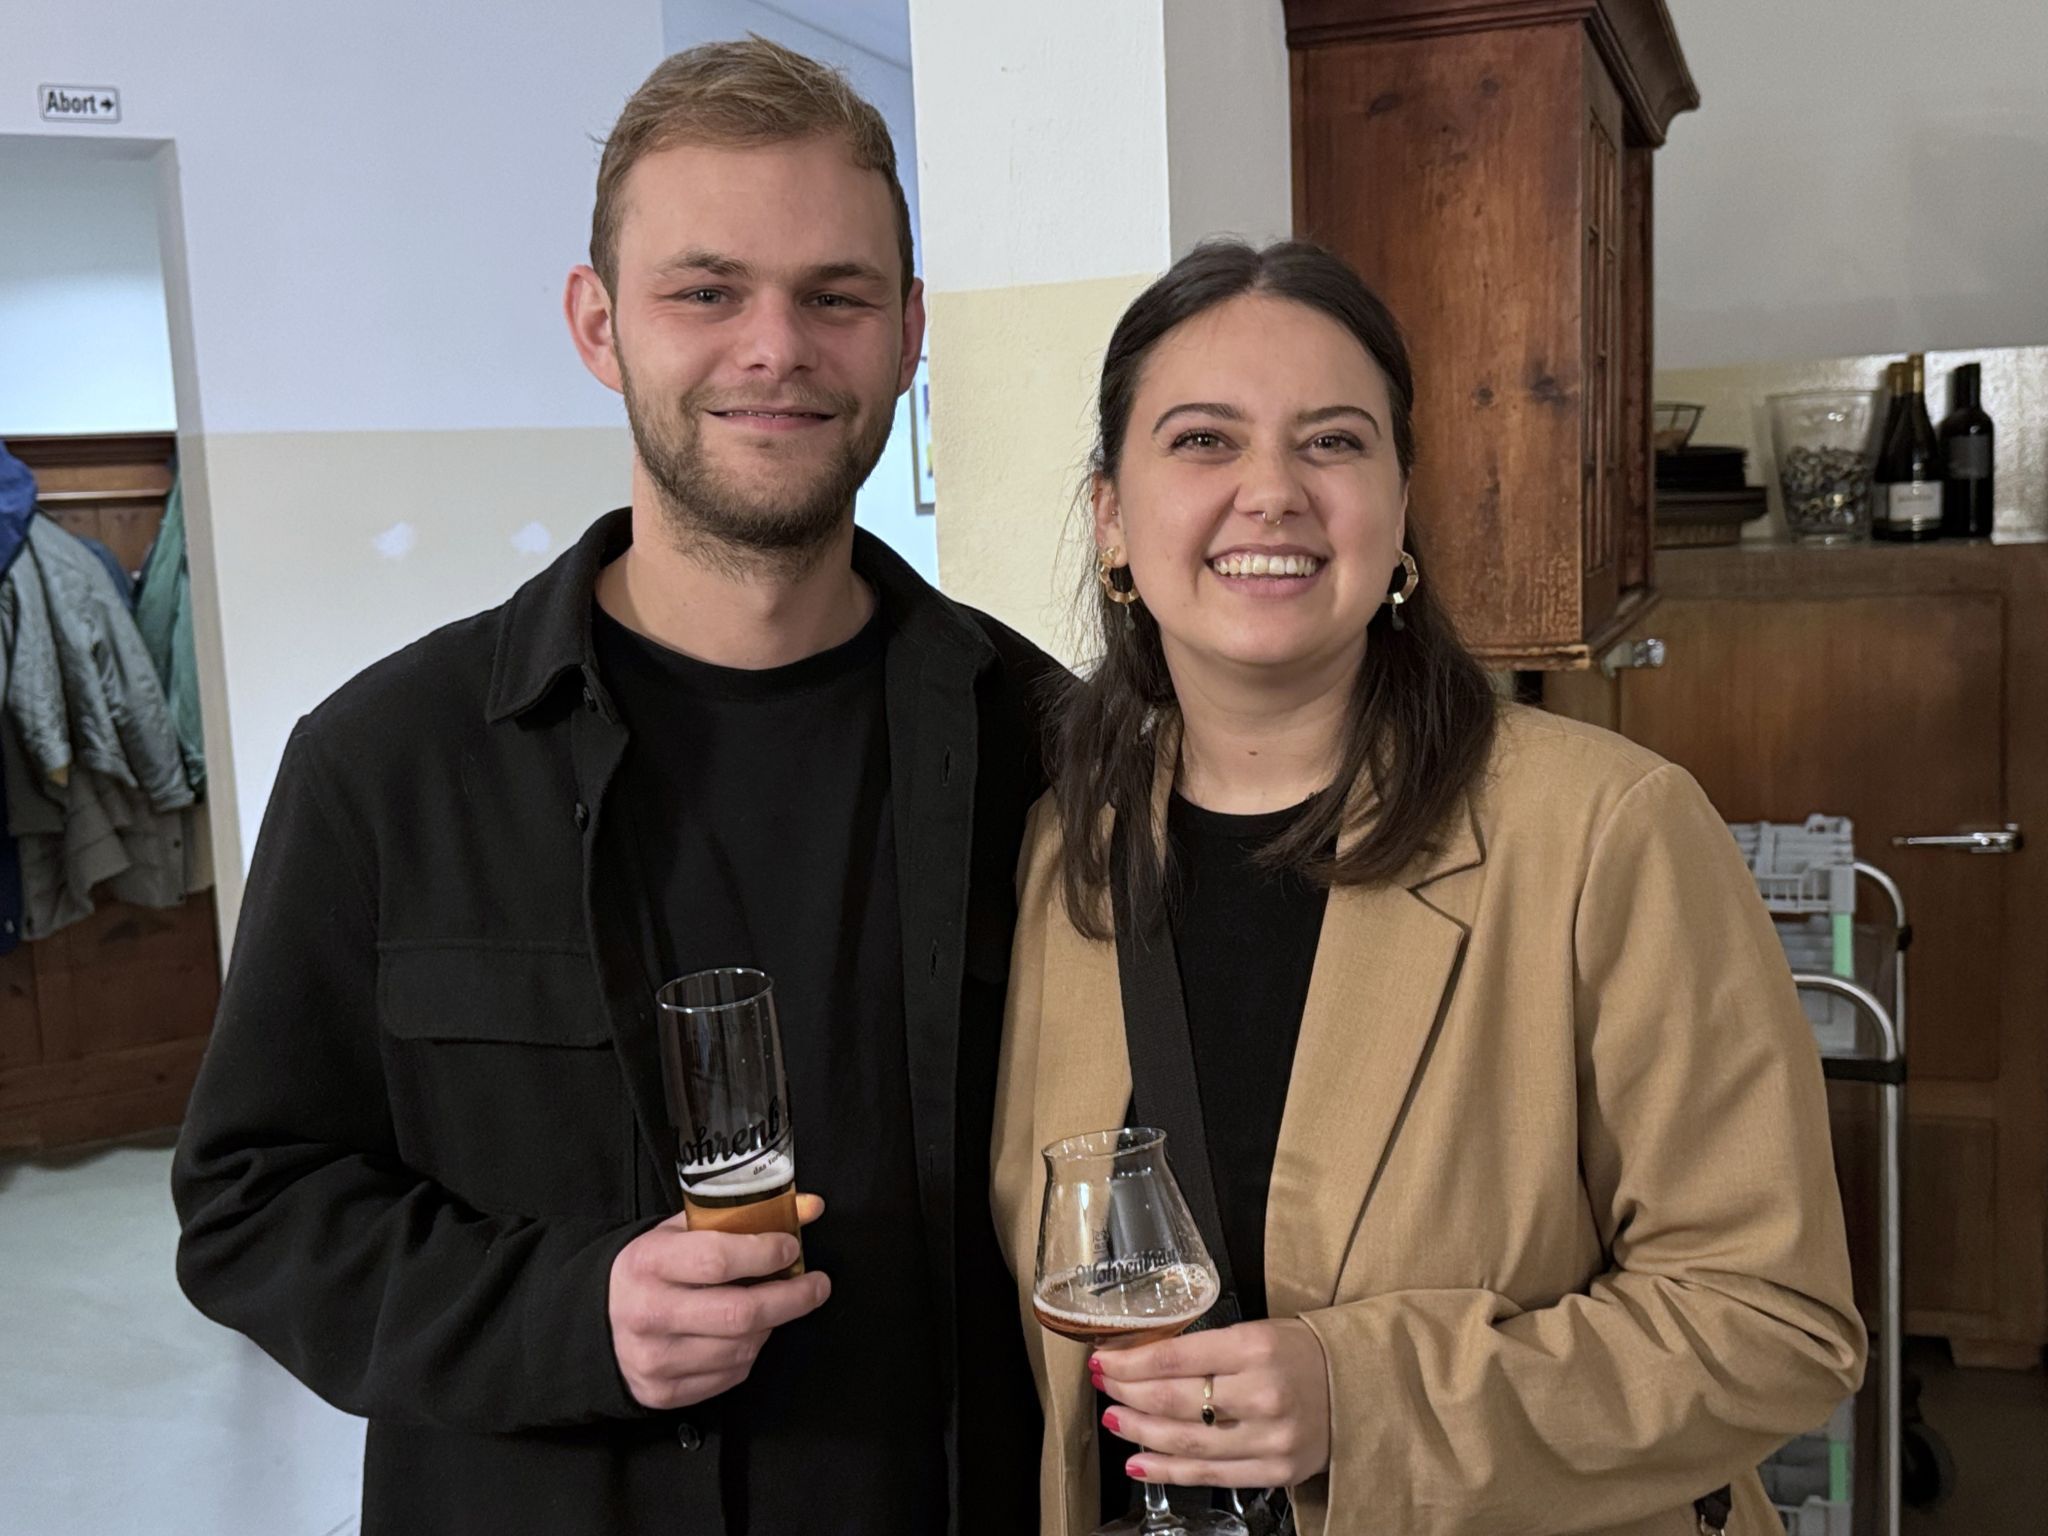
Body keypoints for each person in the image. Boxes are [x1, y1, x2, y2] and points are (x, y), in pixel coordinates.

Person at [174, 39, 1053, 1536]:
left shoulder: (1057, 749)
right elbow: (255, 1204)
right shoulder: (387, 765)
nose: (773, 347)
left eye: (834, 295)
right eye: (705, 292)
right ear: (598, 324)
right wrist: (576, 1318)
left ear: (909, 335)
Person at [991, 239, 1866, 1536]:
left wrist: (1366, 1398)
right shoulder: (1066, 848)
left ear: (1401, 510)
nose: (1272, 492)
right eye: (1203, 442)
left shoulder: (1607, 831)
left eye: (1334, 443)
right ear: (1113, 517)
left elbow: (1776, 1323)